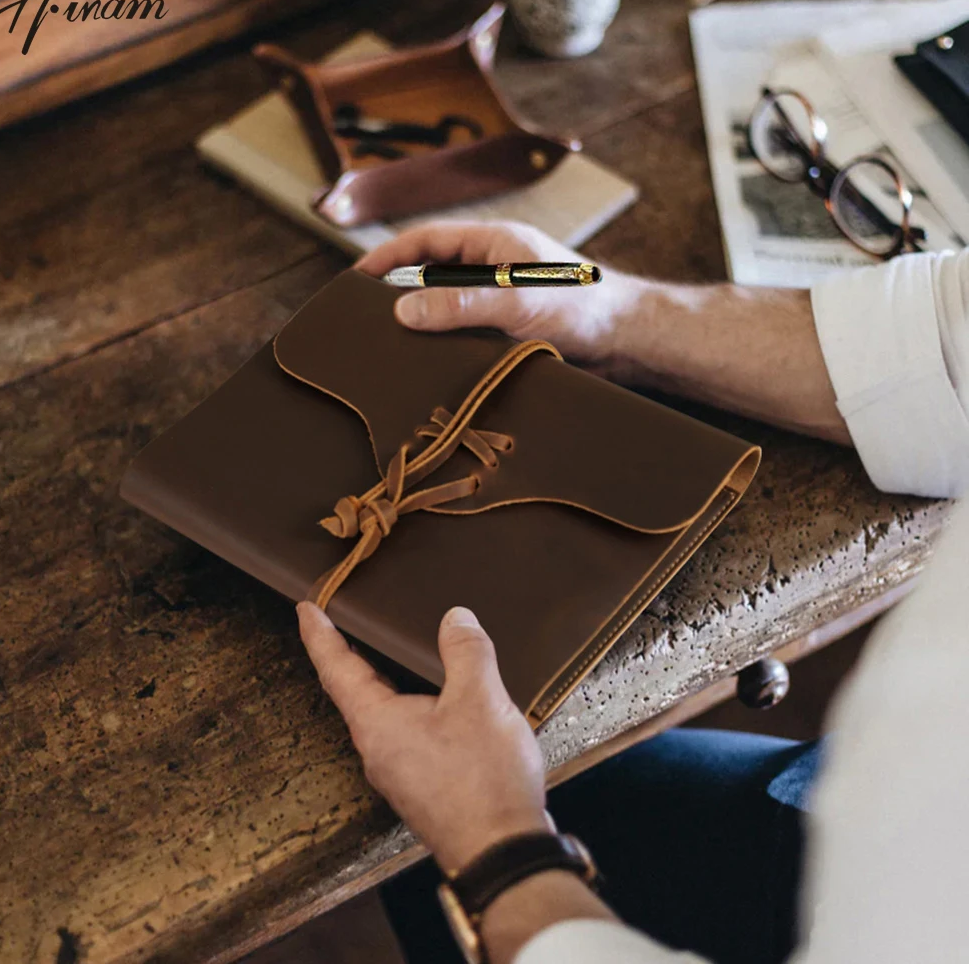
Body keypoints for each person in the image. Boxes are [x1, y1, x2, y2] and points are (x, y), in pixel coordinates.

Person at [296, 221, 969, 964]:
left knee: (426, 846)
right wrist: (612, 311)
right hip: (872, 802)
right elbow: (951, 349)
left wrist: (497, 849)